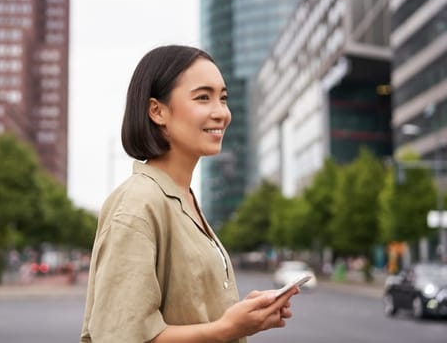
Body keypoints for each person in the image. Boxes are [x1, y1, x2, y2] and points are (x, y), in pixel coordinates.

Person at [80, 45, 298, 343]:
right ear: (157, 111)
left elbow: (186, 310)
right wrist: (227, 329)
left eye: (223, 98)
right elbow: (120, 336)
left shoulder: (183, 198)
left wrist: (240, 316)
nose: (221, 112)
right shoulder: (138, 204)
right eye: (203, 97)